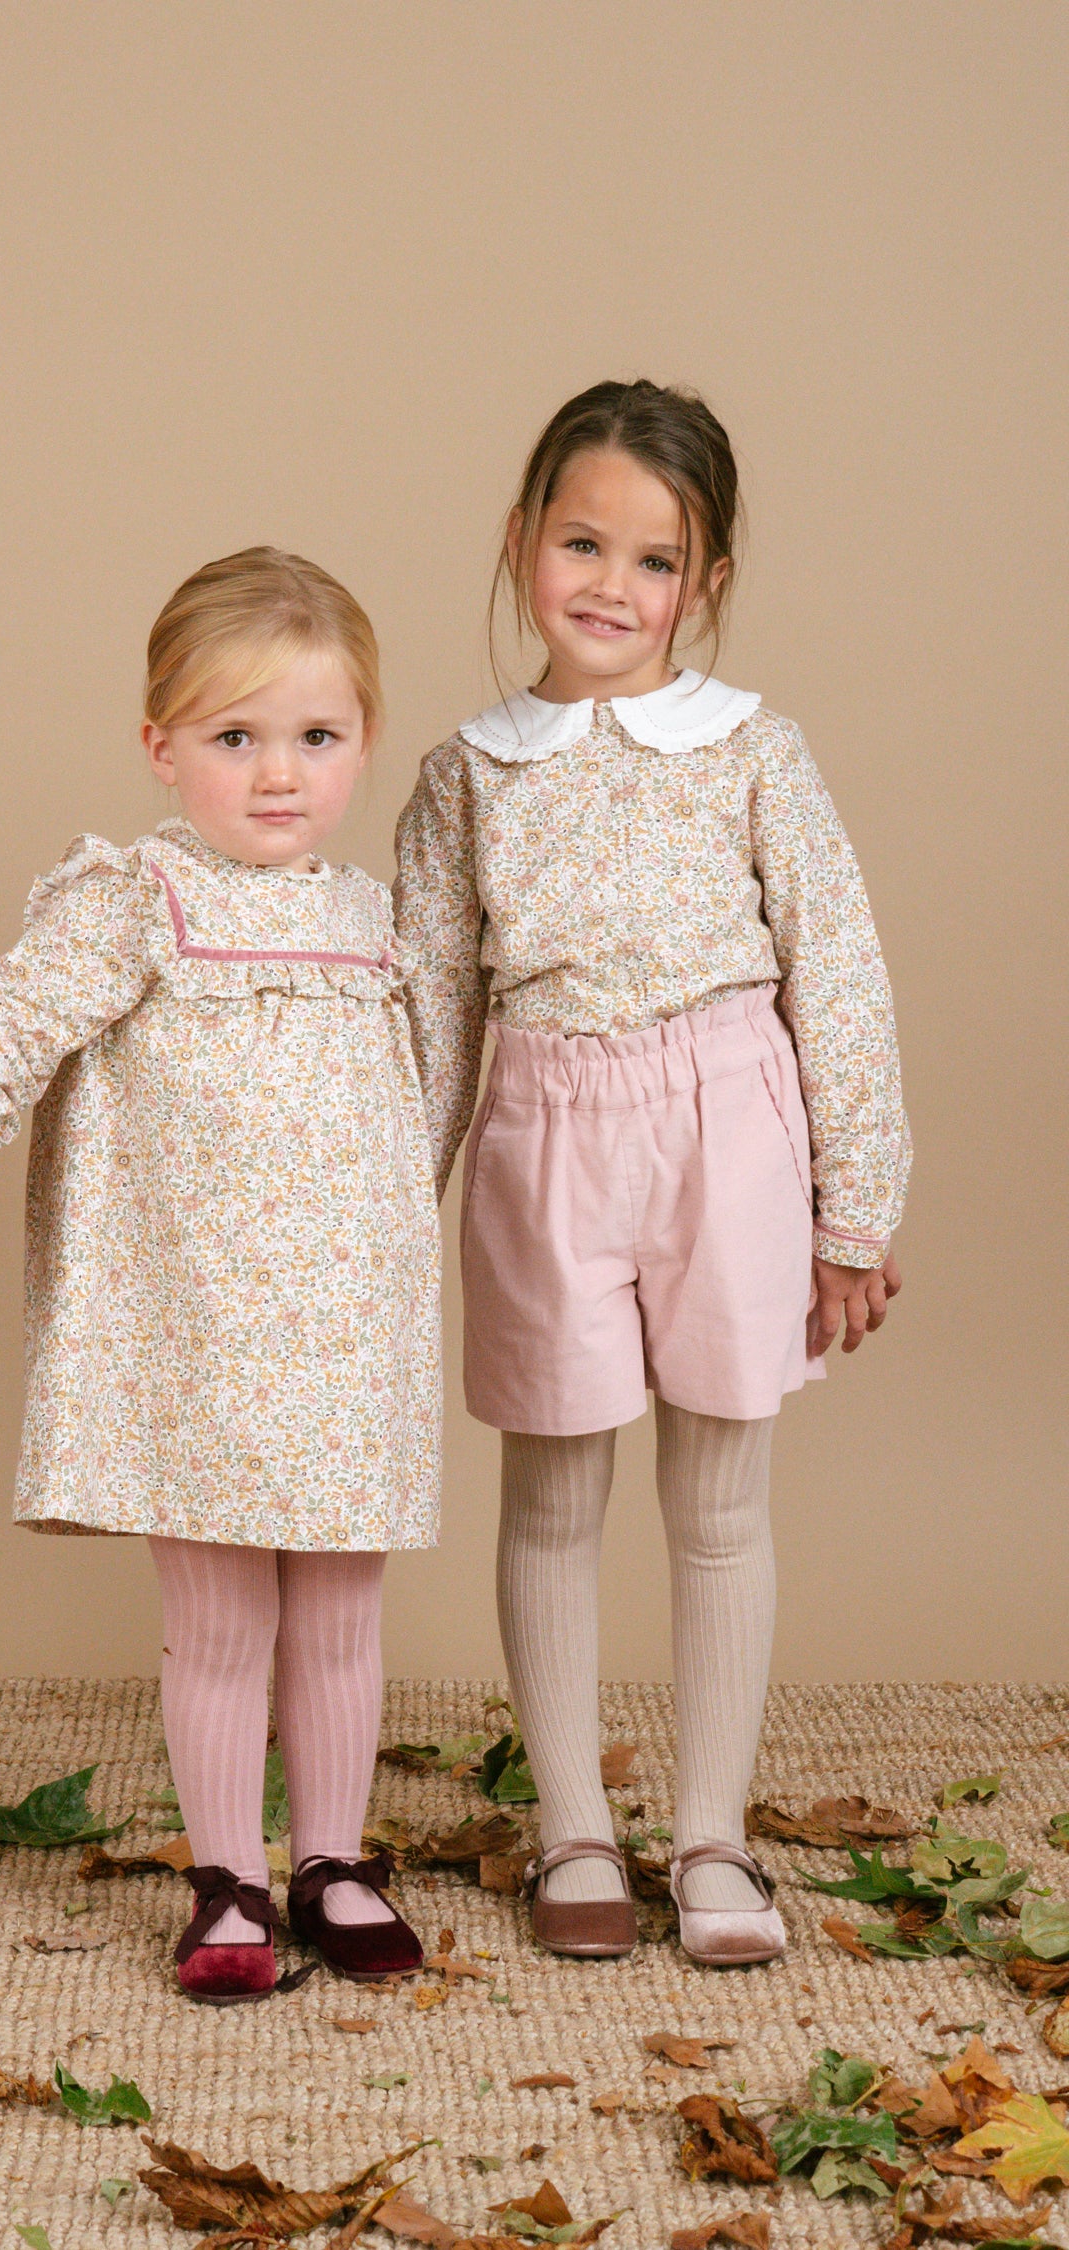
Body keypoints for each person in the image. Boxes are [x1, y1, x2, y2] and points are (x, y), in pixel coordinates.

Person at [0, 548, 441, 2002]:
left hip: (345, 1337)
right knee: (224, 1619)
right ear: (162, 748)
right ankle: (228, 1874)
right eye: (234, 737)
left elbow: (431, 1103)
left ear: (363, 741)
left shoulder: (379, 928)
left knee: (343, 1613)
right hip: (192, 1333)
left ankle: (335, 1855)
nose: (277, 774)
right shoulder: (139, 903)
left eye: (316, 737)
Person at [395, 381, 909, 1968]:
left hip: (728, 1130)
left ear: (707, 580)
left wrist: (856, 1205)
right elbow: (429, 1005)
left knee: (720, 1495)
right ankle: (572, 1830)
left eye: (656, 560)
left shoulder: (755, 749)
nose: (612, 585)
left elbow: (843, 974)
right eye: (581, 542)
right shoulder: (466, 774)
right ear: (520, 541)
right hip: (545, 1136)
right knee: (553, 1492)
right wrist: (373, 1222)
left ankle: (712, 1834)